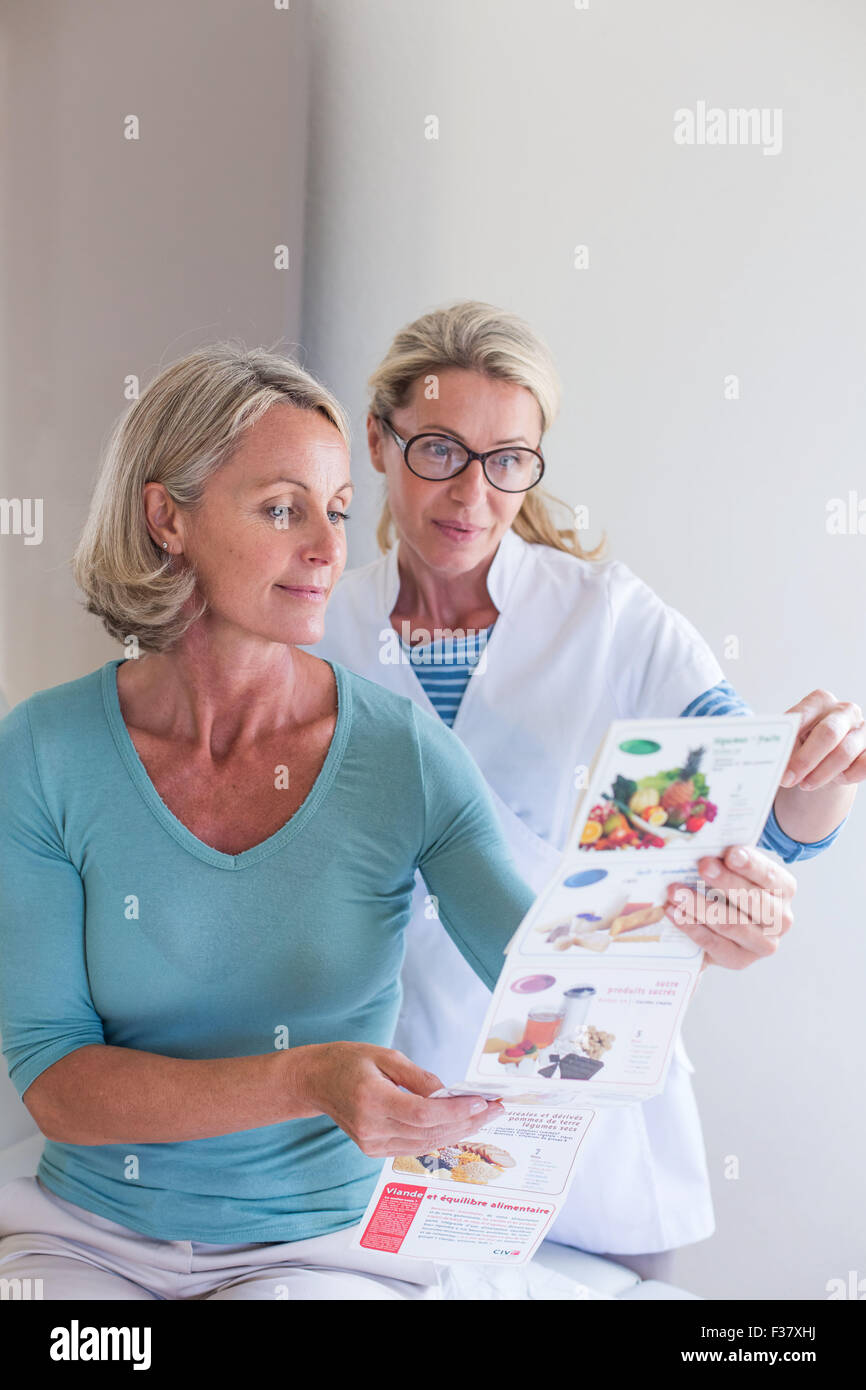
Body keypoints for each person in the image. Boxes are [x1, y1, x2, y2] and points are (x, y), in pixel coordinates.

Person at [309, 300, 864, 1279]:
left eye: (507, 459)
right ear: (379, 441)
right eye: (438, 449)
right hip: (383, 1129)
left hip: (590, 1132)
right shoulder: (319, 631)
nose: (472, 493)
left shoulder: (608, 621)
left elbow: (761, 821)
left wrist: (815, 779)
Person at [0, 343, 543, 1301]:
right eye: (283, 508)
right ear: (167, 516)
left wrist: (679, 916)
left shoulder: (403, 759)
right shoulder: (47, 753)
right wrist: (306, 1079)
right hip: (84, 1238)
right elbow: (55, 1082)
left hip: (317, 1251)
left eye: (337, 512)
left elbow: (551, 977)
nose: (331, 552)